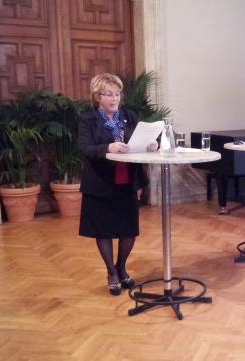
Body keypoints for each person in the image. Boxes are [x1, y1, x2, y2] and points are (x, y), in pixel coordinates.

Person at [78, 73, 158, 296]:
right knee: (103, 230)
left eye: (117, 93)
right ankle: (111, 272)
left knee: (128, 229)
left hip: (127, 181)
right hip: (100, 183)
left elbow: (137, 143)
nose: (114, 98)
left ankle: (122, 267)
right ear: (97, 97)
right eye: (108, 94)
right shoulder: (88, 120)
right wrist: (107, 148)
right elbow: (85, 149)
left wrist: (151, 145)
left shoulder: (129, 116)